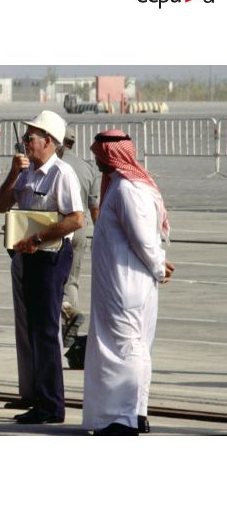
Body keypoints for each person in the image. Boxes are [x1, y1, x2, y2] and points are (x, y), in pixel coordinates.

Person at [82, 130, 175, 436]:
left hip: (125, 286)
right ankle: (135, 412)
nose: (95, 158)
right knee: (135, 347)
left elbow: (144, 241)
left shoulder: (127, 190)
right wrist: (158, 264)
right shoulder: (124, 185)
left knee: (126, 348)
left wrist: (159, 266)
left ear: (112, 155)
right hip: (128, 282)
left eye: (99, 154)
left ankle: (121, 419)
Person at [0, 110, 84, 424]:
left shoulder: (62, 174)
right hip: (30, 255)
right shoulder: (28, 172)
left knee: (46, 331)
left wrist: (38, 237)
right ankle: (40, 398)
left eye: (30, 137)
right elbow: (2, 205)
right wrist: (12, 174)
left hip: (52, 256)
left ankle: (52, 405)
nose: (25, 142)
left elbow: (75, 219)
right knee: (35, 329)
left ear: (49, 141)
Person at [57, 126, 100, 347]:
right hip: (81, 229)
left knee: (51, 279)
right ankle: (67, 330)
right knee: (72, 280)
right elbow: (94, 208)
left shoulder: (54, 164)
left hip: (57, 227)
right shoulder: (87, 168)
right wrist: (100, 236)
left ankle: (65, 314)